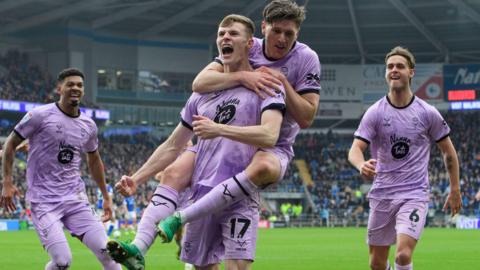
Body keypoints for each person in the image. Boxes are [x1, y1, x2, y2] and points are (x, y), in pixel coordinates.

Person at [107, 14, 285, 270]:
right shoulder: (201, 94)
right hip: (201, 195)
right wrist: (137, 178)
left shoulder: (265, 84)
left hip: (239, 195)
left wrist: (218, 129)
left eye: (233, 33)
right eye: (222, 33)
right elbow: (173, 145)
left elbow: (270, 135)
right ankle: (138, 247)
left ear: (249, 45)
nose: (226, 37)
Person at [158, 0, 320, 242]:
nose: (283, 39)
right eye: (276, 31)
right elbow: (200, 83)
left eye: (290, 34)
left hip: (272, 142)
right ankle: (140, 243)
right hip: (230, 137)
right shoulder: (248, 46)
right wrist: (244, 75)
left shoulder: (306, 58)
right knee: (171, 172)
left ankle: (181, 217)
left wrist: (283, 83)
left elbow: (307, 117)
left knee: (262, 166)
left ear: (298, 33)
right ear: (263, 27)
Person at [348, 46, 462, 270]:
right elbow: (354, 149)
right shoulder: (375, 112)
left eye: (400, 66)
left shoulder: (427, 112)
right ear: (385, 73)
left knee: (402, 254)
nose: (394, 70)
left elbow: (449, 152)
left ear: (411, 72)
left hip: (414, 193)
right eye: (390, 66)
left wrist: (455, 188)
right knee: (376, 263)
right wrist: (360, 164)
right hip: (382, 193)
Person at [0, 68, 121, 270]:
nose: (75, 88)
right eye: (70, 84)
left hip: (76, 199)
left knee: (109, 255)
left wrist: (105, 196)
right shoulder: (39, 115)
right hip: (44, 201)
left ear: (83, 90)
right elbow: (11, 143)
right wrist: (7, 182)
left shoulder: (88, 125)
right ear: (59, 88)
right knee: (62, 261)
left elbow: (94, 160)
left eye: (79, 85)